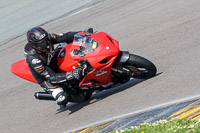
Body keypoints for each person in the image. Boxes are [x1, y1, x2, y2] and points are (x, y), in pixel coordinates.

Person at [24, 27, 92, 108]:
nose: (46, 44)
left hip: (53, 60)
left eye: (46, 41)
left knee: (71, 47)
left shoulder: (48, 38)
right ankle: (64, 94)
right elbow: (51, 77)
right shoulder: (33, 59)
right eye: (42, 44)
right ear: (34, 45)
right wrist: (72, 74)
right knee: (63, 98)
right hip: (47, 78)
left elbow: (66, 36)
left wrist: (83, 34)